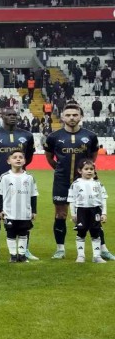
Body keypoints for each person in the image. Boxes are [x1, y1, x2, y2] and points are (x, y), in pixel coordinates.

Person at [44, 103, 113, 260]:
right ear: (62, 117)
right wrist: (59, 169)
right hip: (61, 181)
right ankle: (60, 249)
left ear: (81, 116)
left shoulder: (90, 136)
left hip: (85, 182)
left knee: (93, 214)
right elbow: (49, 157)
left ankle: (103, 249)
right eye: (68, 115)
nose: (72, 118)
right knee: (60, 214)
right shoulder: (54, 137)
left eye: (75, 115)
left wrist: (85, 174)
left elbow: (92, 158)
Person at [0, 108, 36, 260]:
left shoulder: (27, 135)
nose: (12, 117)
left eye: (14, 115)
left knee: (24, 215)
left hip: (21, 182)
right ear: (2, 116)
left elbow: (29, 157)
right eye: (8, 115)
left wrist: (18, 171)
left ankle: (25, 250)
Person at [0, 150, 38, 263]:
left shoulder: (29, 177)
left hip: (25, 212)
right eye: (15, 157)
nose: (18, 159)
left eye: (21, 157)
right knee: (11, 233)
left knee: (23, 233)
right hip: (9, 212)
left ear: (25, 161)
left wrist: (34, 211)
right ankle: (13, 255)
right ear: (9, 161)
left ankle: (22, 255)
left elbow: (33, 195)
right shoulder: (4, 177)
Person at [69, 159, 108, 263]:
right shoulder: (76, 184)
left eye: (91, 169)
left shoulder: (98, 184)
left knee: (95, 232)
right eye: (86, 169)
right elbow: (72, 200)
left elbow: (103, 199)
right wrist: (73, 214)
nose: (89, 171)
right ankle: (81, 256)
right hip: (81, 210)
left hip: (95, 211)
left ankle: (96, 256)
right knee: (81, 232)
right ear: (80, 170)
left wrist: (104, 213)